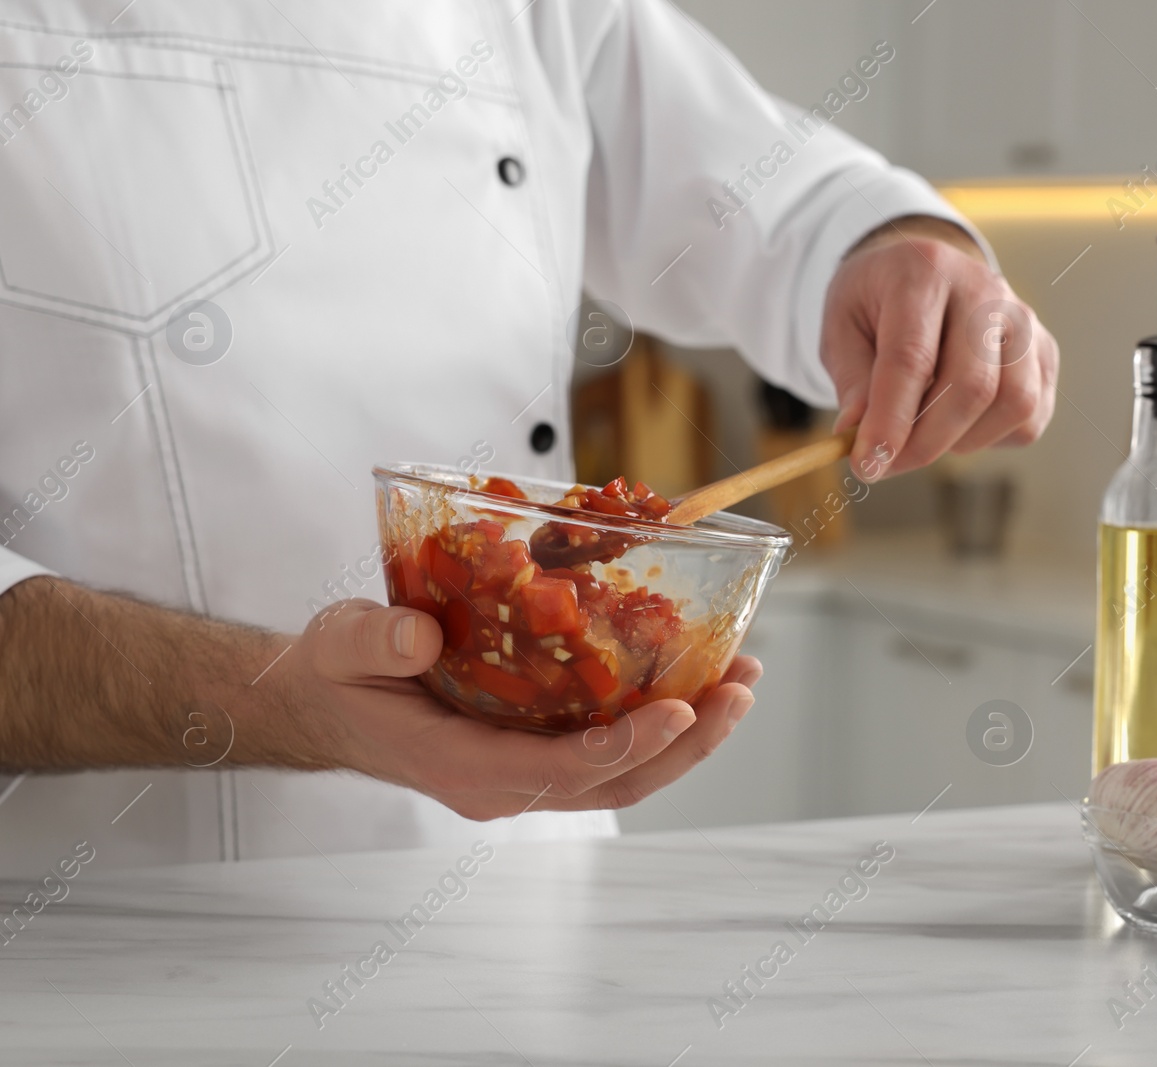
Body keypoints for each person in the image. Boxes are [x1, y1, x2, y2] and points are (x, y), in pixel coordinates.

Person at [0, 0, 1057, 872]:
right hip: (113, 930)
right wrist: (291, 708)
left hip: (524, 889)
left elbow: (783, 190)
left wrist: (902, 254)